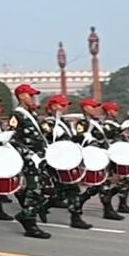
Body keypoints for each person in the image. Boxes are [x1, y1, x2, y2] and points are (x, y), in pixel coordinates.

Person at [6, 83, 52, 238]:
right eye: (30, 95)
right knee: (35, 190)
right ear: (21, 96)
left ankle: (26, 214)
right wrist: (29, 154)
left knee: (44, 190)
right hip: (30, 160)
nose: (33, 97)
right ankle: (30, 224)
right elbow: (11, 139)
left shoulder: (30, 114)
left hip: (40, 158)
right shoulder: (17, 115)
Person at [40, 95, 91, 229]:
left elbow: (69, 139)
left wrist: (79, 138)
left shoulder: (63, 122)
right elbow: (50, 140)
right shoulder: (48, 123)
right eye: (62, 105)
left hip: (66, 158)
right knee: (70, 189)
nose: (66, 107)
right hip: (57, 160)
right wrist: (53, 134)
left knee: (64, 190)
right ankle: (75, 218)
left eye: (66, 105)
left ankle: (44, 207)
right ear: (53, 107)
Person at [102, 102, 129, 215]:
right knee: (106, 181)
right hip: (110, 155)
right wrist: (121, 128)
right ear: (109, 111)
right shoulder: (106, 124)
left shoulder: (116, 123)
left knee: (128, 178)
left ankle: (122, 203)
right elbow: (109, 135)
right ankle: (107, 207)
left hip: (121, 155)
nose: (117, 112)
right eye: (115, 110)